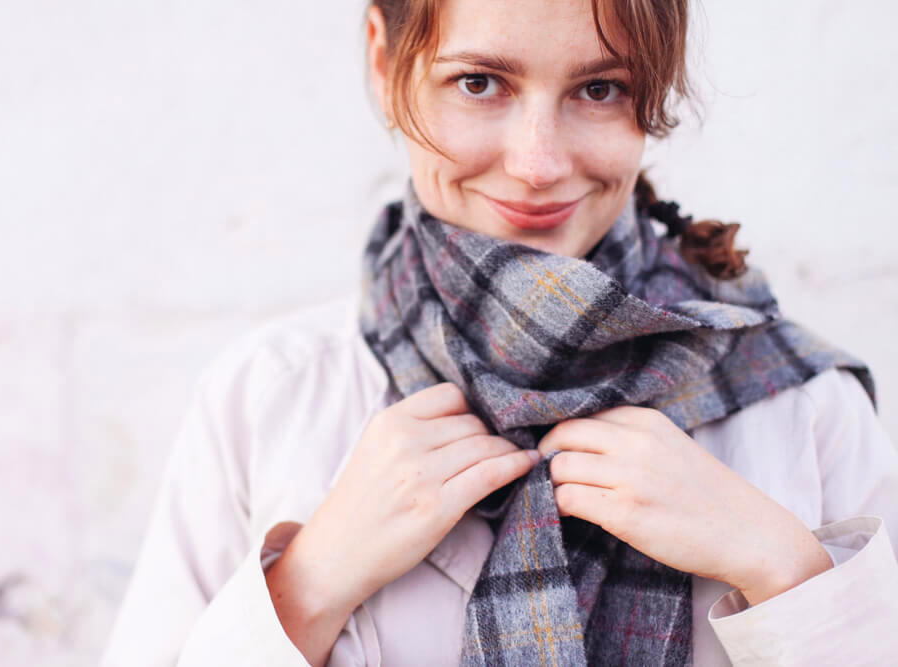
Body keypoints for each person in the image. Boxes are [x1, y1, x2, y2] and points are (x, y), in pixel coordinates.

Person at [101, 0, 898, 665]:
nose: (537, 162)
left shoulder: (802, 404)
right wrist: (307, 585)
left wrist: (783, 569)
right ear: (385, 62)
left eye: (599, 88)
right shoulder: (270, 396)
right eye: (478, 82)